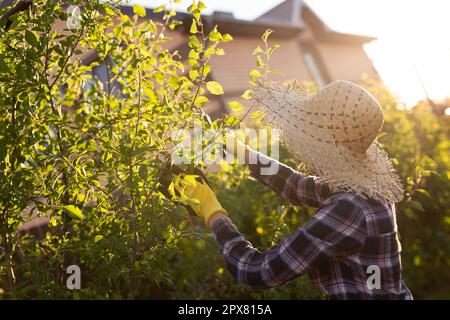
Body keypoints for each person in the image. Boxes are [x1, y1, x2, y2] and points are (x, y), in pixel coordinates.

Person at [167, 80, 412, 299]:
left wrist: (212, 211)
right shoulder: (365, 189)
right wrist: (238, 150)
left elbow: (256, 272)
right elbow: (295, 186)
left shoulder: (350, 209)